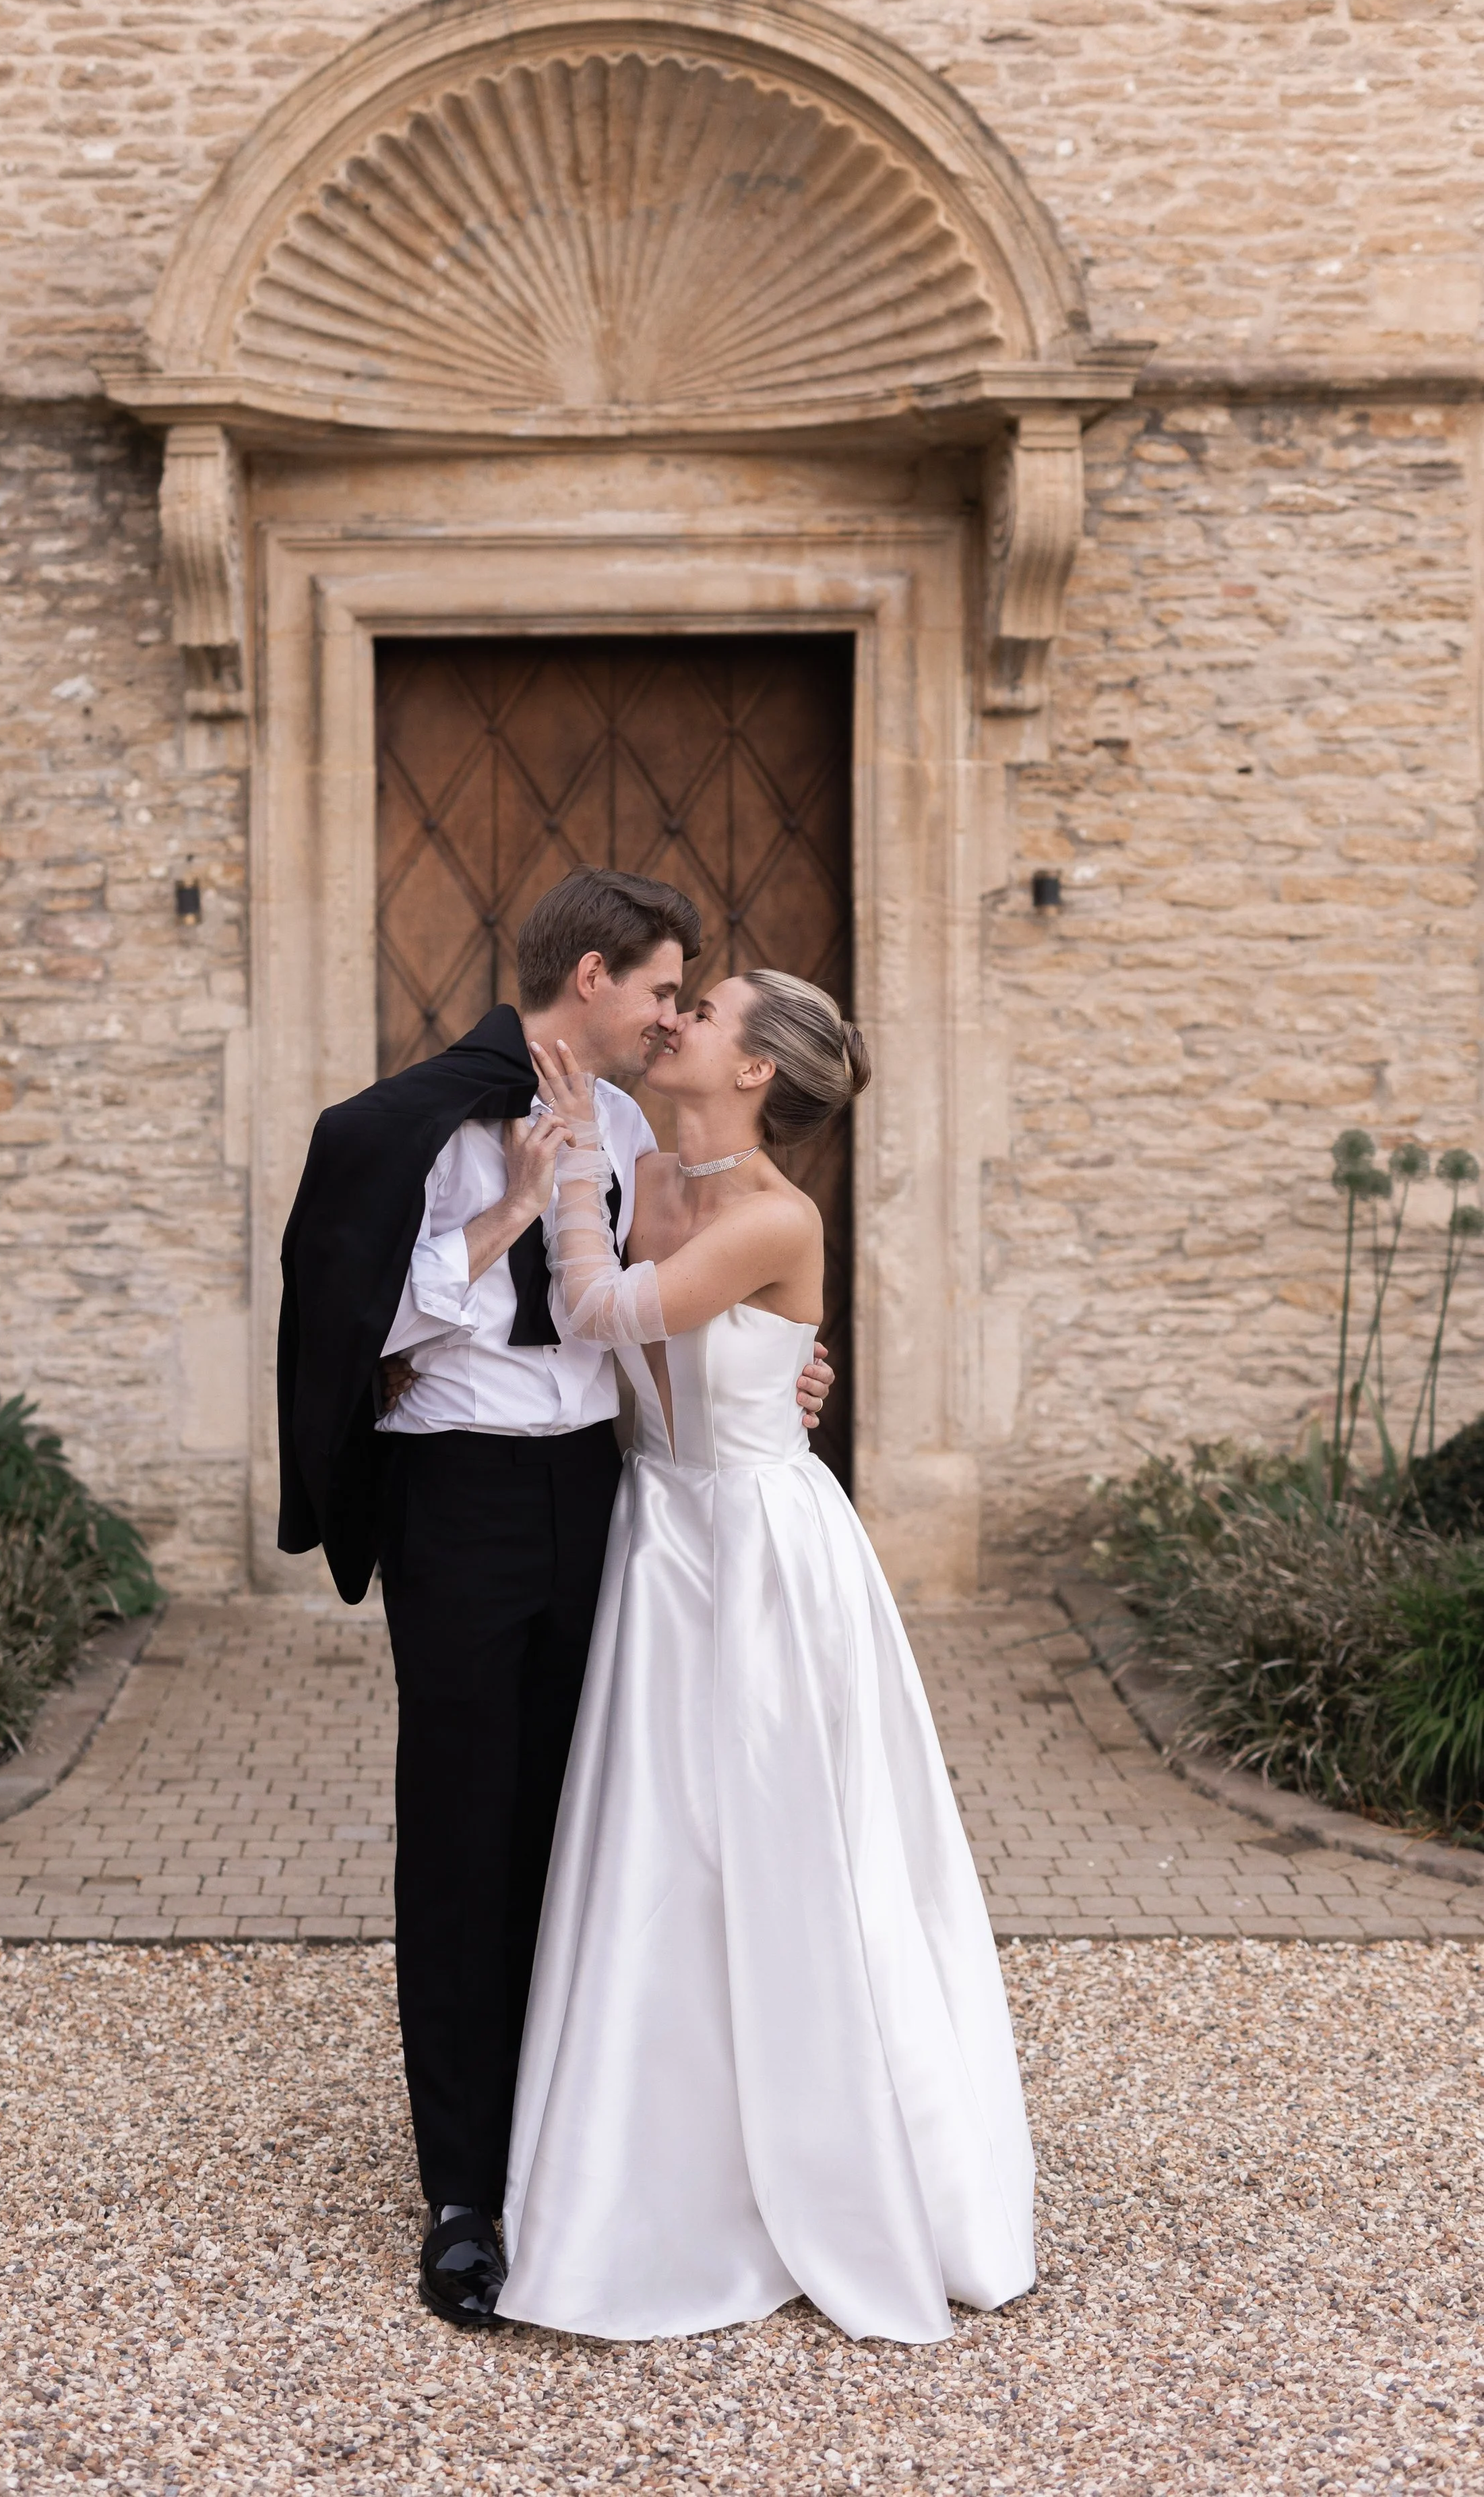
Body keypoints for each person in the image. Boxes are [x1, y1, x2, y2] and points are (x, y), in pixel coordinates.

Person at [274, 872, 834, 2329]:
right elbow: (359, 1329)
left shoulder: (646, 1129)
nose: (669, 1017)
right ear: (589, 976)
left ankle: (583, 2143)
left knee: (598, 1816)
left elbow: (672, 1305)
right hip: (454, 1495)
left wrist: (776, 1379)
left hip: (601, 1492)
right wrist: (513, 1202)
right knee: (464, 1824)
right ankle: (464, 2191)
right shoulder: (393, 1128)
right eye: (660, 990)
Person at [495, 971, 1036, 2344]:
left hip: (759, 1556)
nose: (681, 1015)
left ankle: (833, 2161)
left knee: (788, 1847)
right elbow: (684, 1355)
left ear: (755, 1073)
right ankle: (663, 2164)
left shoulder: (769, 1213)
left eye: (714, 1007)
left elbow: (599, 1318)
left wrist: (561, 1177)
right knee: (664, 1852)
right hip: (661, 1543)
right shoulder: (654, 1170)